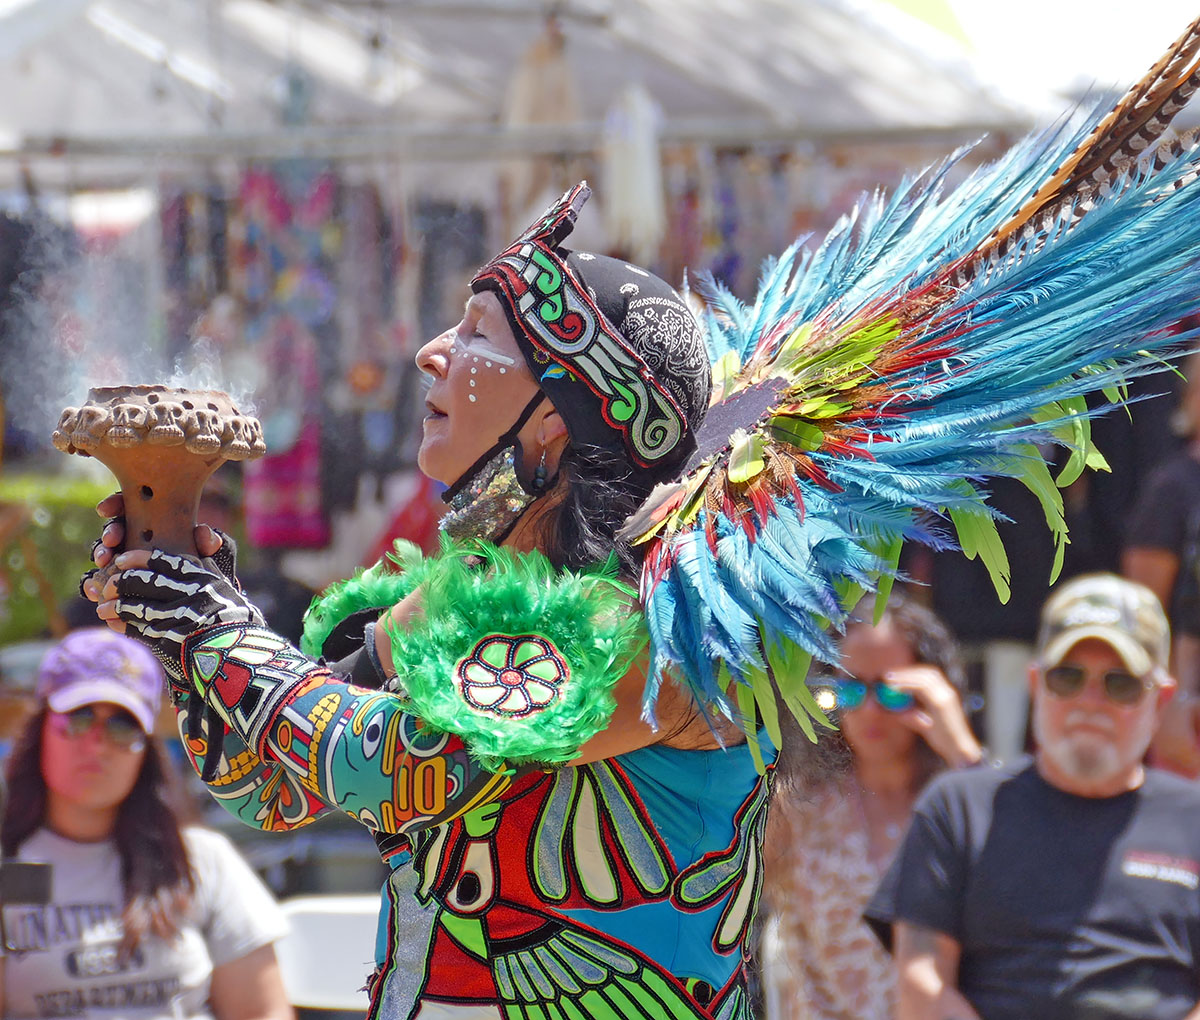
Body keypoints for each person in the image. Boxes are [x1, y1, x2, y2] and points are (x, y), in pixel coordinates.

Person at [89, 185, 766, 1019]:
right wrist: (183, 628)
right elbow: (274, 786)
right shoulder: (448, 603)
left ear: (554, 418)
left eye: (478, 332)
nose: (431, 352)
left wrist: (215, 627)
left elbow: (400, 763)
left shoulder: (652, 620)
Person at [865, 573, 1200, 1020]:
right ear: (1035, 683)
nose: (1091, 701)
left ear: (1160, 700)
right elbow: (921, 985)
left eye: (1120, 683)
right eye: (1068, 677)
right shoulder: (961, 808)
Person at [0, 628, 293, 1020]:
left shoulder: (200, 862)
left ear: (146, 749)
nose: (98, 743)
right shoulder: (8, 869)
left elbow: (262, 1012)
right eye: (79, 718)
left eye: (123, 725)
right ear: (40, 730)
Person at [761, 594, 981, 1020]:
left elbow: (1024, 875)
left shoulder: (962, 803)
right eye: (850, 688)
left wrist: (965, 755)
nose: (869, 710)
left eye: (893, 691)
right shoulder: (796, 805)